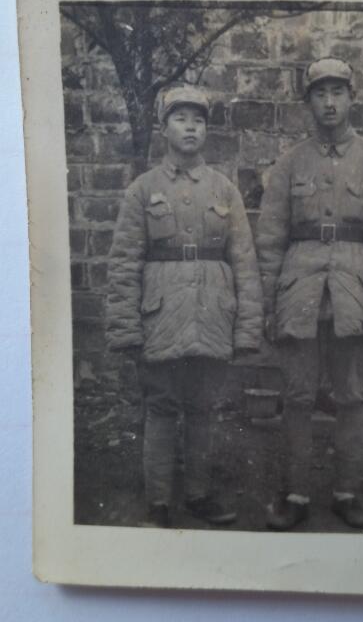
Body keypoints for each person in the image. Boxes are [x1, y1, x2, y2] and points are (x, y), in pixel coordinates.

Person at [256, 57, 363, 530]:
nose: (329, 102)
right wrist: (268, 304)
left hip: (356, 291)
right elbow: (270, 239)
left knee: (352, 398)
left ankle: (348, 492)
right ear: (308, 101)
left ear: (352, 98)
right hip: (299, 291)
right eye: (320, 93)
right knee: (298, 396)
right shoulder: (289, 164)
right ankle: (296, 493)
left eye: (337, 92)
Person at [106, 85, 263, 528]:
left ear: (207, 130)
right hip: (161, 318)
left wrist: (247, 328)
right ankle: (158, 503)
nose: (190, 127)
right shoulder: (143, 190)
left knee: (202, 408)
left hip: (212, 314)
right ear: (164, 128)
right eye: (180, 119)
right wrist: (126, 328)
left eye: (198, 120)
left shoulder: (224, 190)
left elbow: (244, 262)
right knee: (160, 407)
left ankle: (198, 494)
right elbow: (124, 263)